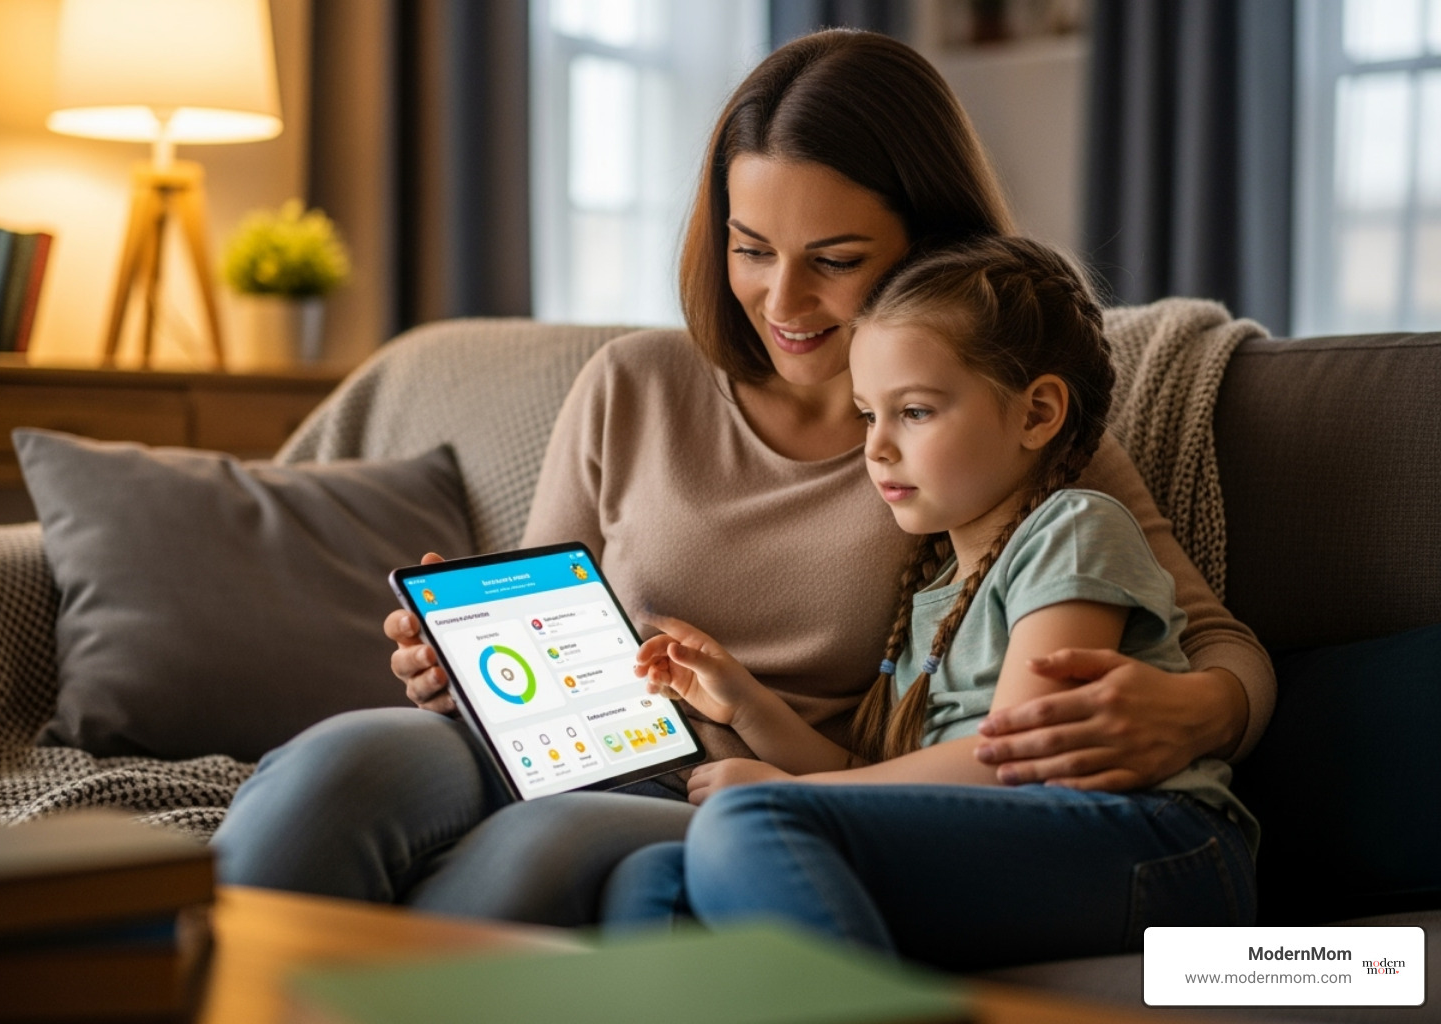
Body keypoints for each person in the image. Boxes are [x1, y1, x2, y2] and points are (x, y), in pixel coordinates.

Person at [212, 29, 1273, 927]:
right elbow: (538, 612)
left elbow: (1215, 638)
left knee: (530, 857)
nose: (783, 299)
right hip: (576, 735)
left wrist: (1205, 711)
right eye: (751, 246)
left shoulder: (987, 422)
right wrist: (463, 664)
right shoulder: (631, 381)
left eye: (837, 258)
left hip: (748, 787)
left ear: (930, 245)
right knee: (326, 775)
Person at [600, 236, 1257, 967]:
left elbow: (1011, 762)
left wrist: (790, 793)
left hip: (1154, 844)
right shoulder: (935, 587)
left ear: (1037, 414)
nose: (876, 449)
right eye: (866, 416)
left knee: (749, 822)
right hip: (1018, 840)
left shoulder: (1072, 529)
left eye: (913, 412)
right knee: (652, 877)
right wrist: (747, 704)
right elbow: (874, 775)